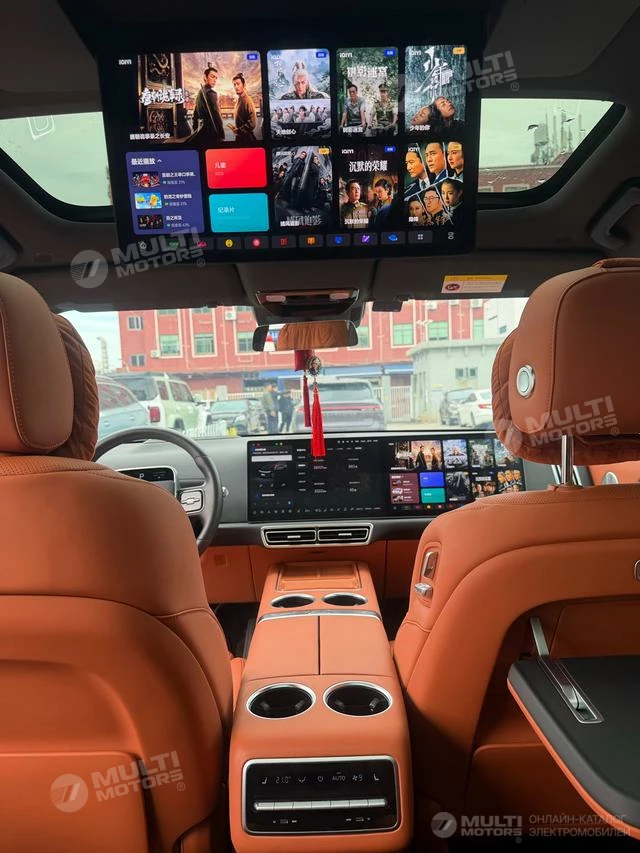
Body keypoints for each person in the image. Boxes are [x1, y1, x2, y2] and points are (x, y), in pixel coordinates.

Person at [193, 66, 225, 142]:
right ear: (205, 77)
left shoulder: (200, 92)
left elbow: (195, 115)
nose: (215, 80)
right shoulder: (211, 93)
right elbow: (217, 116)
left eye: (216, 78)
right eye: (212, 77)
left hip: (202, 134)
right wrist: (221, 135)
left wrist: (196, 130)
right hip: (212, 134)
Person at [231, 73, 257, 142]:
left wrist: (239, 130)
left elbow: (252, 123)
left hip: (247, 139)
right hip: (240, 137)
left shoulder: (247, 100)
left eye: (238, 84)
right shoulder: (239, 99)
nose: (236, 87)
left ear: (244, 85)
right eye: (234, 85)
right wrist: (237, 129)